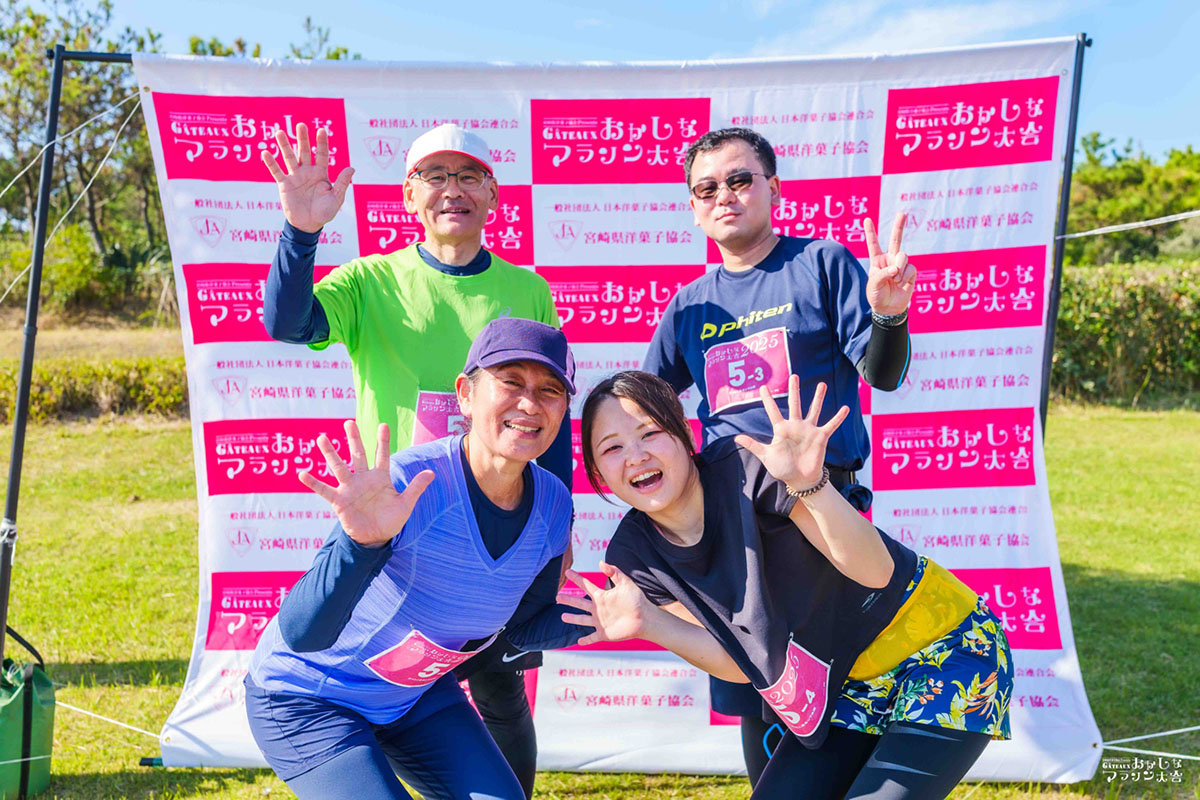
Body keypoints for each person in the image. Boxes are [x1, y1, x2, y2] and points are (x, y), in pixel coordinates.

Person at [260, 122, 570, 797]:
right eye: (435, 176)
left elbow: (549, 408)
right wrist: (301, 233)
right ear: (408, 195)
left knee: (500, 680)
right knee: (359, 649)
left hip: (495, 519)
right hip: (394, 522)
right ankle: (338, 750)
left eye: (468, 176)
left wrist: (555, 528)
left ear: (493, 195)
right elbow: (287, 324)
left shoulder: (528, 288)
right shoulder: (370, 280)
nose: (452, 189)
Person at [564, 371, 1011, 800]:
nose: (636, 456)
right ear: (598, 474)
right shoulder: (634, 557)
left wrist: (809, 485)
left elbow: (877, 573)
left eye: (650, 433)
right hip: (847, 682)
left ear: (685, 433)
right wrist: (650, 623)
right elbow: (740, 662)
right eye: (612, 447)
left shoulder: (746, 468)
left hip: (947, 646)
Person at [642, 126, 916, 782]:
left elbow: (883, 375)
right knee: (758, 688)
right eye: (707, 188)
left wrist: (888, 315)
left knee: (840, 688)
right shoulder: (689, 306)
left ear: (773, 189)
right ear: (693, 207)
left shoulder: (821, 264)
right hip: (733, 526)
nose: (725, 196)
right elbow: (646, 407)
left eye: (740, 179)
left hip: (822, 510)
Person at [246, 318, 589, 800]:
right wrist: (360, 546)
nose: (530, 403)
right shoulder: (410, 484)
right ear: (465, 395)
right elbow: (305, 634)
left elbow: (519, 630)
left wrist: (602, 618)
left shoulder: (553, 506)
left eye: (549, 390)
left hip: (412, 697)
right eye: (511, 382)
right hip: (308, 697)